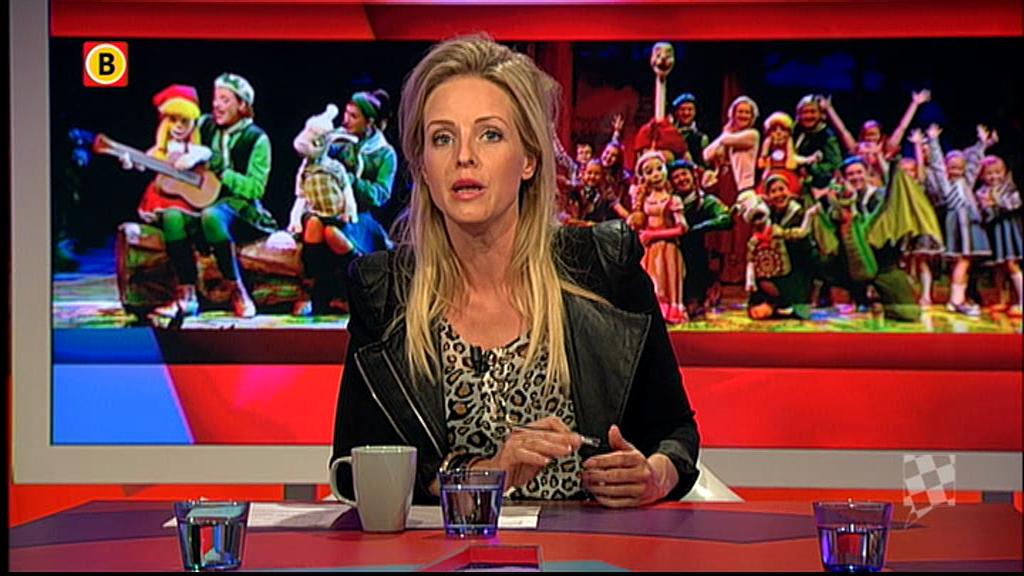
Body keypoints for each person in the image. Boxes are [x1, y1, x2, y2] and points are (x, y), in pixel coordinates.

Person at [332, 35, 700, 508]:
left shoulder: (603, 266)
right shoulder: (385, 291)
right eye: (442, 138)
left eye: (490, 134)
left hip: (592, 544)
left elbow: (675, 433)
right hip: (445, 546)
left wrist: (653, 477)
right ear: (422, 165)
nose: (464, 156)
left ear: (529, 159)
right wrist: (485, 475)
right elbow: (354, 468)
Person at [175, 72, 278, 317]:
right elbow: (177, 144)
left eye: (225, 100)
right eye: (215, 98)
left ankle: (237, 289)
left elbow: (255, 188)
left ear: (242, 105)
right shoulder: (205, 125)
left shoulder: (257, 138)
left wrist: (223, 171)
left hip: (240, 210)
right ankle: (186, 292)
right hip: (203, 200)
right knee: (173, 217)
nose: (216, 105)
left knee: (211, 216)